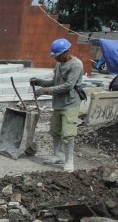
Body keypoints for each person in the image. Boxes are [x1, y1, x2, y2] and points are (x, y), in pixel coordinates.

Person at [30, 38, 84, 172]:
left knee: (68, 134)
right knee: (55, 131)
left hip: (70, 104)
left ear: (66, 52)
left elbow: (68, 85)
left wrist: (46, 91)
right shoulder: (59, 65)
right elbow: (54, 82)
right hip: (58, 103)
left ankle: (69, 161)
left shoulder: (76, 64)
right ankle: (58, 155)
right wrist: (39, 82)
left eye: (57, 56)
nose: (56, 59)